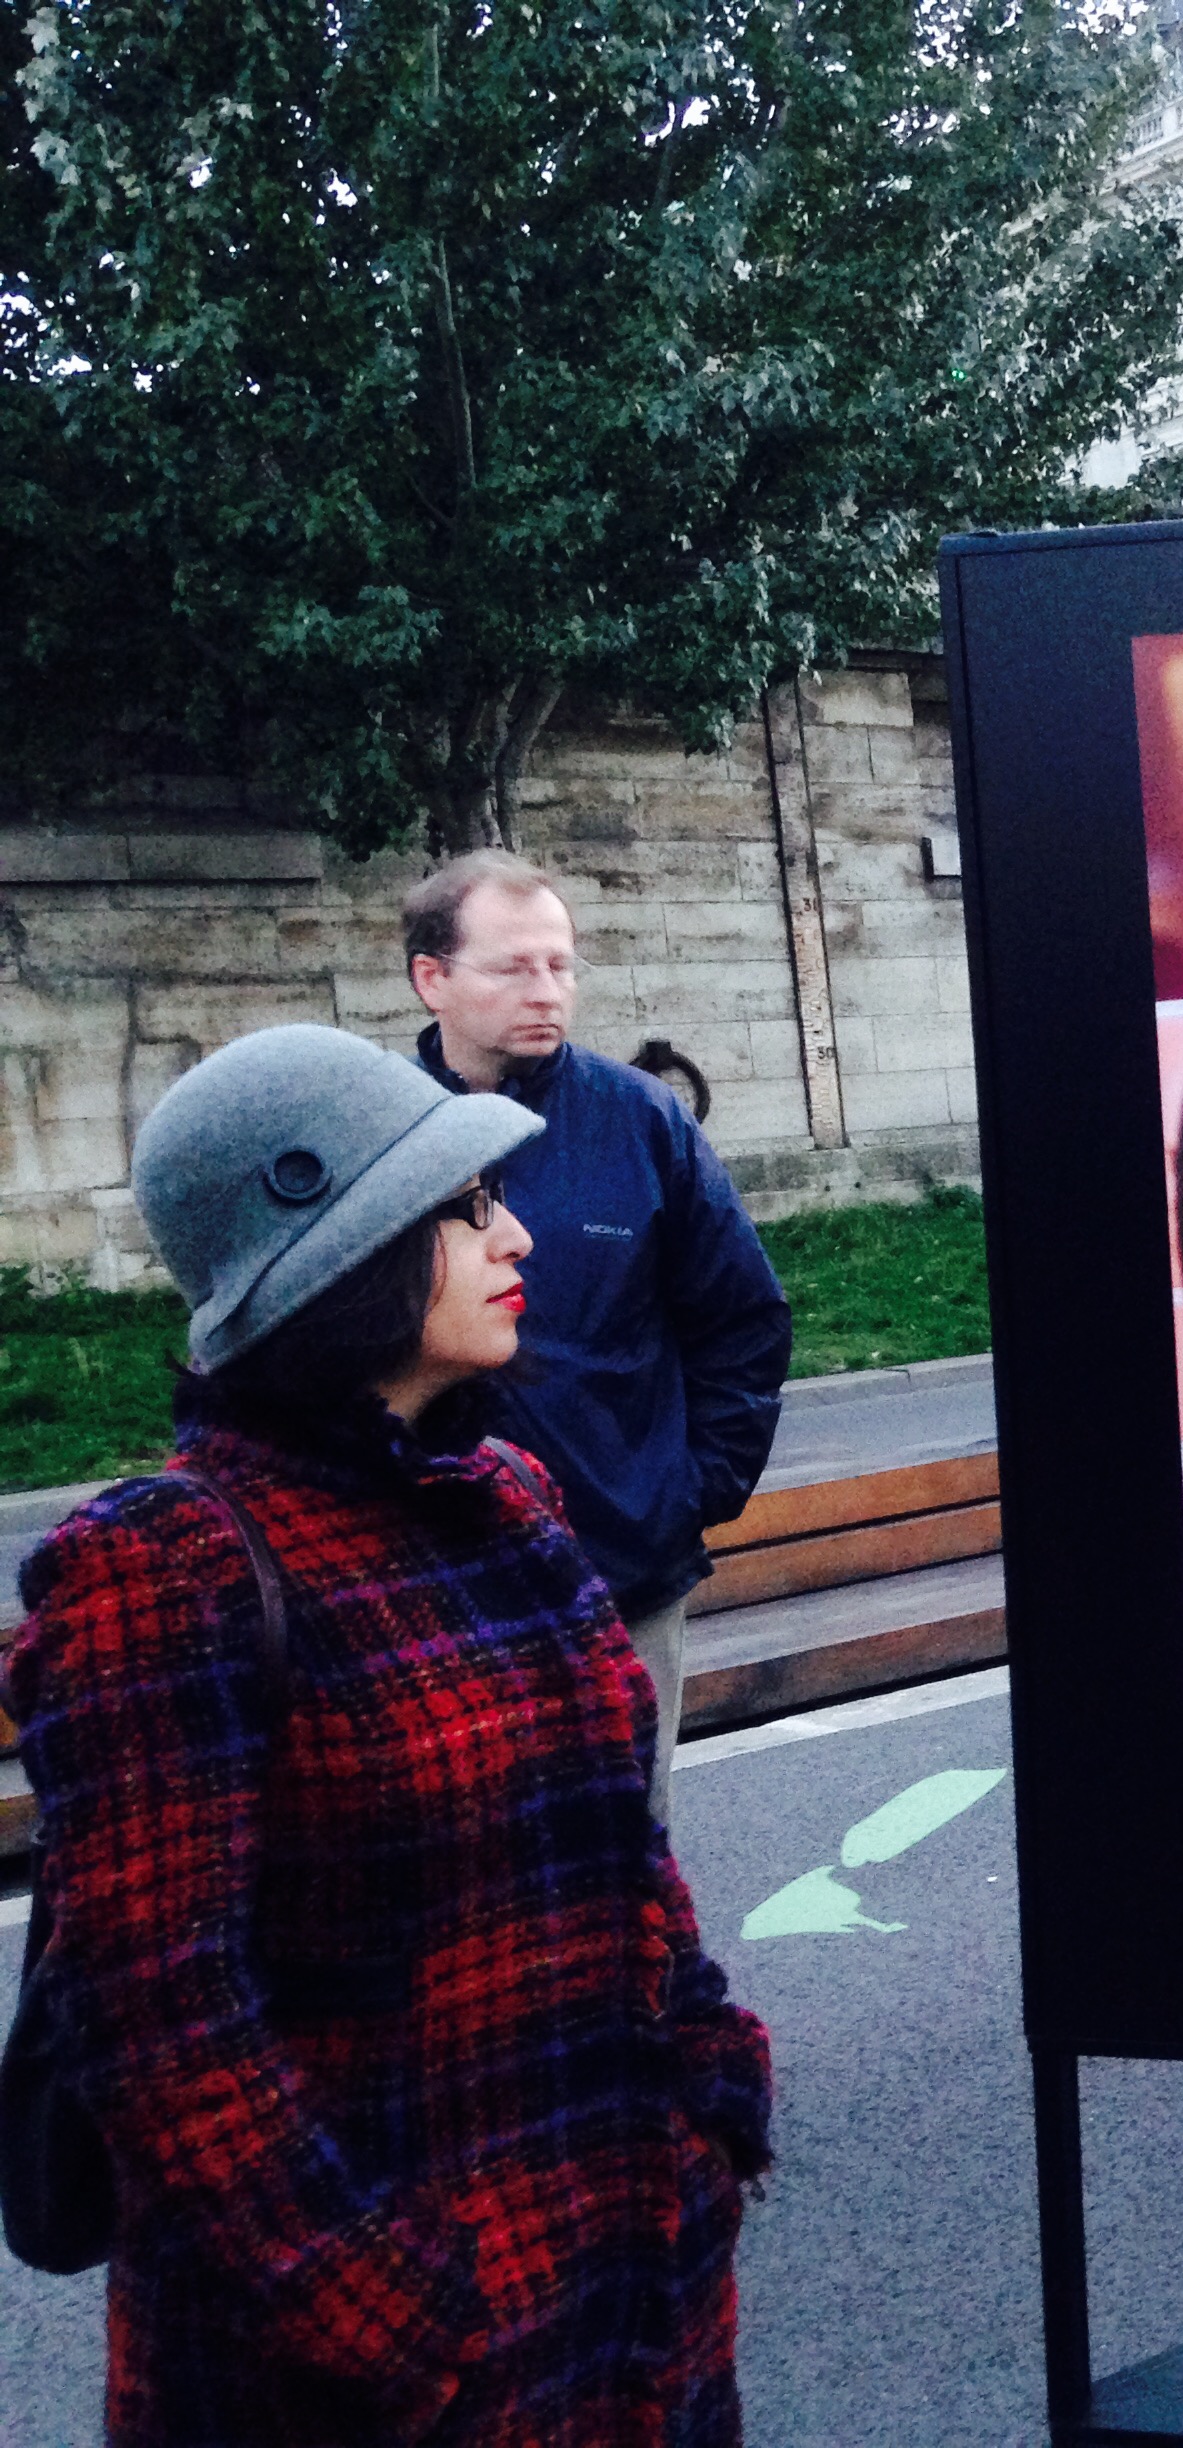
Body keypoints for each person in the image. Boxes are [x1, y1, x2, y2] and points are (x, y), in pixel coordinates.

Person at [4, 1024, 773, 2444]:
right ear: (337, 1251)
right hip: (373, 2380)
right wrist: (401, 2325)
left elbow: (620, 1849)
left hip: (631, 2304)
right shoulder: (169, 1569)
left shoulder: (508, 1497)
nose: (515, 1230)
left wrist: (714, 2081)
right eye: (466, 1205)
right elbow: (165, 2036)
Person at [403, 851, 792, 1822]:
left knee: (622, 1851)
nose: (548, 992)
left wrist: (687, 1495)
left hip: (623, 1566)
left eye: (562, 965)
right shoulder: (381, 1134)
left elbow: (743, 1321)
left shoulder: (642, 1121)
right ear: (432, 978)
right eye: (513, 968)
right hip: (436, 1581)